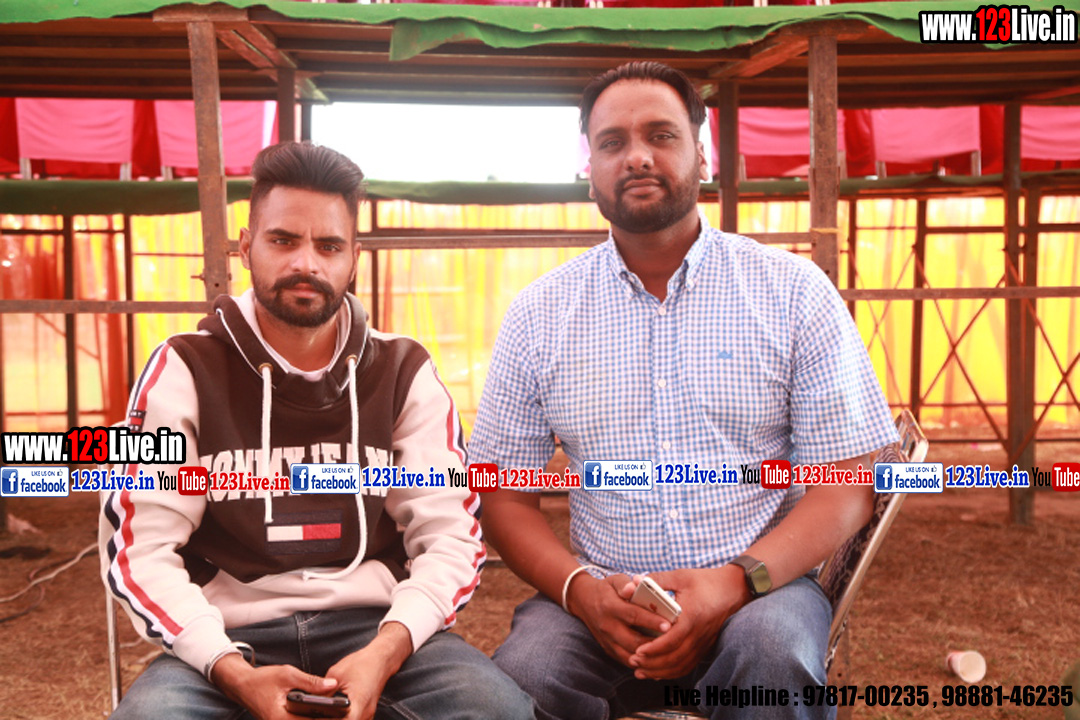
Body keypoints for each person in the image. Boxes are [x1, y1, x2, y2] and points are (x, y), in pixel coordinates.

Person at [469, 62, 899, 720]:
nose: (637, 156)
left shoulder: (791, 293)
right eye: (612, 142)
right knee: (527, 675)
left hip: (761, 588)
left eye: (661, 135)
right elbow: (501, 494)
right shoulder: (540, 315)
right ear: (589, 168)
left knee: (774, 652)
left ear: (702, 154)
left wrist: (735, 581)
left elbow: (846, 484)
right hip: (603, 596)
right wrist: (582, 592)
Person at [100, 141, 533, 720]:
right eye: (283, 240)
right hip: (226, 633)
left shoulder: (403, 370)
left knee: (496, 709)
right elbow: (143, 549)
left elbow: (449, 536)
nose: (306, 263)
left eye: (328, 245)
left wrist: (386, 651)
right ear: (246, 247)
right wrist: (231, 670)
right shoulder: (183, 368)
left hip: (375, 626)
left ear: (353, 258)